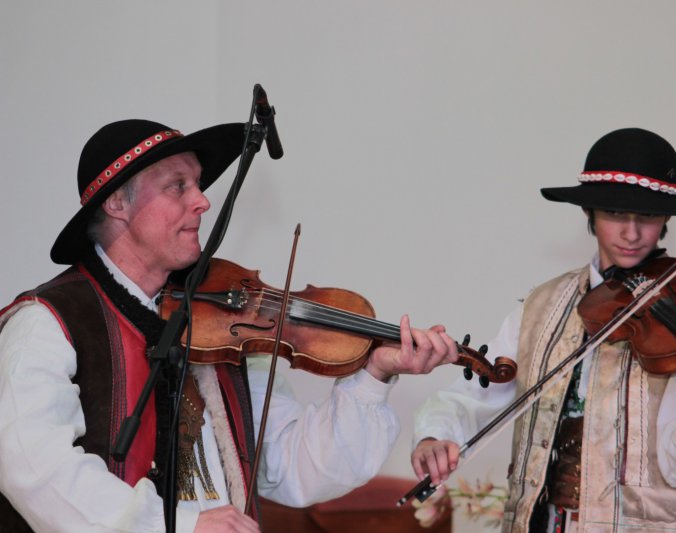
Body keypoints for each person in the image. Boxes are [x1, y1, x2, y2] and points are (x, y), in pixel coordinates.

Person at [0, 118, 459, 532]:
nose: (202, 201)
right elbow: (35, 470)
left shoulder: (220, 323)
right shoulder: (47, 323)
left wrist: (373, 375)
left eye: (198, 184)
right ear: (118, 202)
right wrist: (182, 526)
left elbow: (292, 467)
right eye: (177, 186)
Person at [411, 128, 676, 532]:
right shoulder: (543, 303)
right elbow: (476, 393)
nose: (632, 233)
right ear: (588, 212)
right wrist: (434, 435)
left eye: (648, 216)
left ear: (666, 218)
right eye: (615, 213)